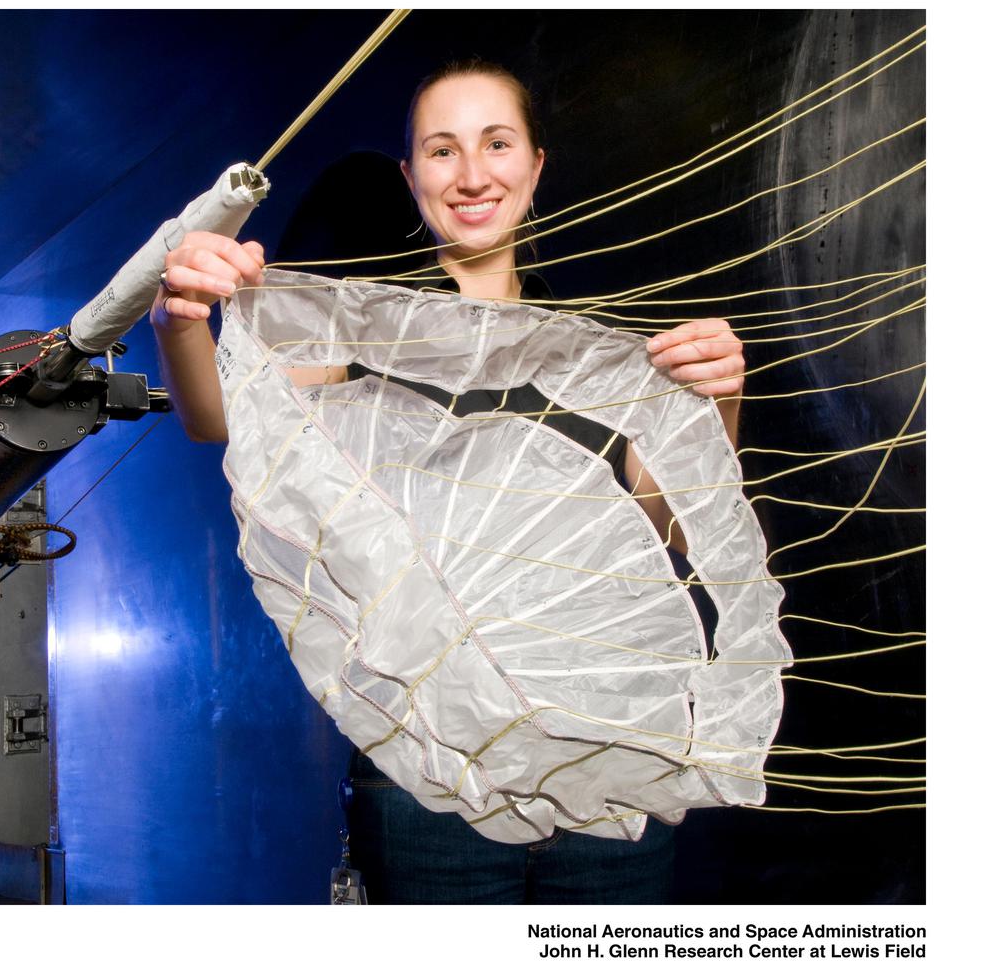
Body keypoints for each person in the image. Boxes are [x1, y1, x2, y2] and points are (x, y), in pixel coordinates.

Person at [151, 59, 745, 903]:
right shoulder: (355, 334)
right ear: (411, 177)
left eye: (496, 144)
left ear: (535, 167)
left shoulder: (603, 349)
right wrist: (178, 317)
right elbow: (220, 417)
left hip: (616, 756)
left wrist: (720, 399)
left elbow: (678, 528)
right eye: (442, 151)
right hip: (428, 770)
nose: (471, 175)